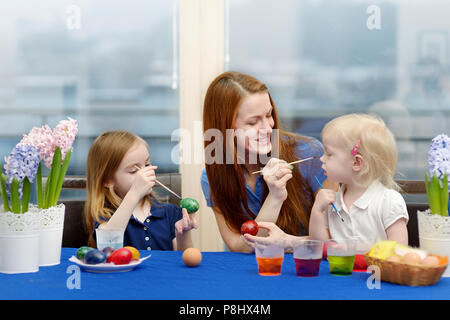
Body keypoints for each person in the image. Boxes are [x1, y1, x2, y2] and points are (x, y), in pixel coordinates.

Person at [201, 71, 336, 253]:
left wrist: (289, 243)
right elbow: (239, 246)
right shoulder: (213, 177)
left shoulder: (310, 154)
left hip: (307, 271)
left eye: (269, 115)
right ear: (224, 129)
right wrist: (275, 197)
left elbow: (338, 239)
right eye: (252, 122)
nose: (267, 128)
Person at [245, 114, 409, 250]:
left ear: (357, 163)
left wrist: (352, 249)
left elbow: (398, 250)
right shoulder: (334, 199)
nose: (321, 159)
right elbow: (318, 246)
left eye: (329, 154)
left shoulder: (389, 201)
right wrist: (317, 211)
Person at [85, 131, 197, 251]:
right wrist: (134, 193)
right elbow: (108, 246)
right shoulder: (106, 216)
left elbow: (184, 258)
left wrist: (183, 233)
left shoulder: (169, 213)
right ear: (107, 180)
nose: (145, 174)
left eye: (147, 164)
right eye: (134, 170)